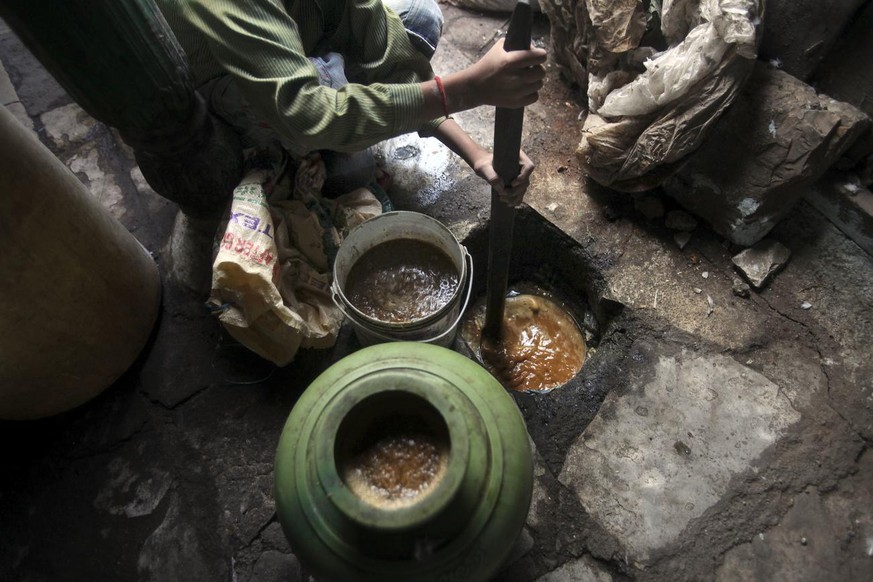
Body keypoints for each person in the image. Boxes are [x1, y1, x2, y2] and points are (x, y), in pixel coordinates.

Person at [155, 0, 548, 204]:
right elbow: (308, 114)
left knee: (420, 17)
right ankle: (279, 152)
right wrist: (469, 89)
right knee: (351, 170)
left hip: (295, 49)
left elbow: (394, 59)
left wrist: (477, 154)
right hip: (217, 89)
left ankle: (339, 108)